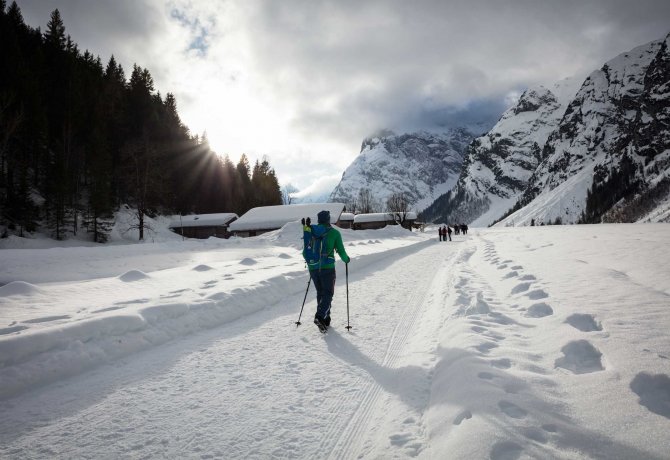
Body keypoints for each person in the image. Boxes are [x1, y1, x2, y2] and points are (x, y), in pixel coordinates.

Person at [303, 210, 350, 332]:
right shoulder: (334, 233)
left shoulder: (311, 230)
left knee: (321, 292)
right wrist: (346, 259)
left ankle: (326, 318)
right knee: (328, 293)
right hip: (327, 268)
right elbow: (341, 251)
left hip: (313, 267)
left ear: (318, 220)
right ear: (328, 220)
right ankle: (320, 316)